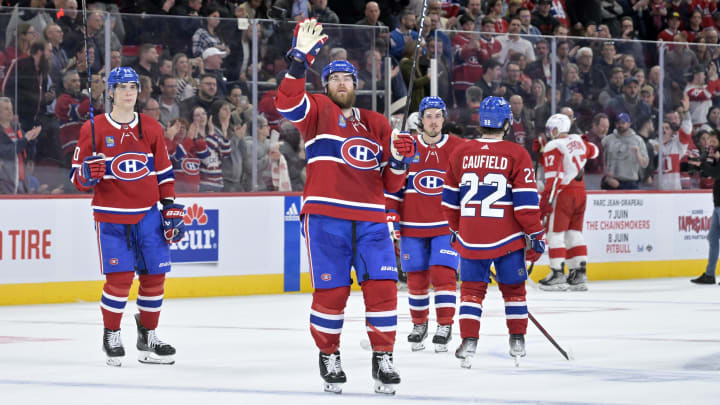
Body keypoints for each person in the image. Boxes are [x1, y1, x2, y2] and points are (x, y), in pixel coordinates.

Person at [274, 18, 415, 395]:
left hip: (371, 218)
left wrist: (401, 161)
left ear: (357, 84)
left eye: (346, 78)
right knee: (332, 293)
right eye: (334, 78)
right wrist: (299, 61)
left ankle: (383, 357)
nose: (341, 83)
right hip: (325, 216)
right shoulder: (317, 111)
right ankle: (329, 355)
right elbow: (286, 103)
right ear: (326, 86)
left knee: (384, 287)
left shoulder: (377, 123)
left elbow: (392, 183)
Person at [69, 67, 185, 367]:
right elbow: (77, 178)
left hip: (148, 216)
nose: (128, 91)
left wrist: (169, 206)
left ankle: (148, 337)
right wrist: (85, 174)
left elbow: (163, 173)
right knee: (119, 281)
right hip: (111, 217)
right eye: (121, 87)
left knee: (155, 278)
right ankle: (111, 334)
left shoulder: (151, 127)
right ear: (110, 92)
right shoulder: (93, 129)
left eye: (132, 86)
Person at [441, 96, 545, 368]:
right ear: (507, 122)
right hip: (508, 240)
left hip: (471, 238)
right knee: (514, 291)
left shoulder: (460, 152)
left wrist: (457, 230)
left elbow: (449, 202)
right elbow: (525, 205)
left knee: (471, 292)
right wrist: (535, 235)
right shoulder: (516, 154)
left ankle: (469, 342)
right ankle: (517, 339)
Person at [385, 96, 464, 353]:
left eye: (438, 116)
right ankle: (419, 324)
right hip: (412, 225)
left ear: (444, 119)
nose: (433, 121)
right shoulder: (408, 146)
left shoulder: (457, 147)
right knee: (416, 278)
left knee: (443, 273)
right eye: (429, 116)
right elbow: (394, 184)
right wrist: (392, 214)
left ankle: (445, 325)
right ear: (421, 119)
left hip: (445, 225)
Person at [538, 114, 599, 291]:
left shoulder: (553, 145)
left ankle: (557, 273)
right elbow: (594, 151)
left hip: (563, 193)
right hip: (580, 191)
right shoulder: (578, 139)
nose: (550, 133)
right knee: (574, 233)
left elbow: (554, 176)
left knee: (555, 234)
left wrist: (547, 200)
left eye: (551, 129)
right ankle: (579, 273)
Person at [689, 141, 720, 284]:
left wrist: (702, 165)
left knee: (713, 238)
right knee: (712, 238)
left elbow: (714, 172)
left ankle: (709, 274)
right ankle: (709, 274)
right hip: (717, 205)